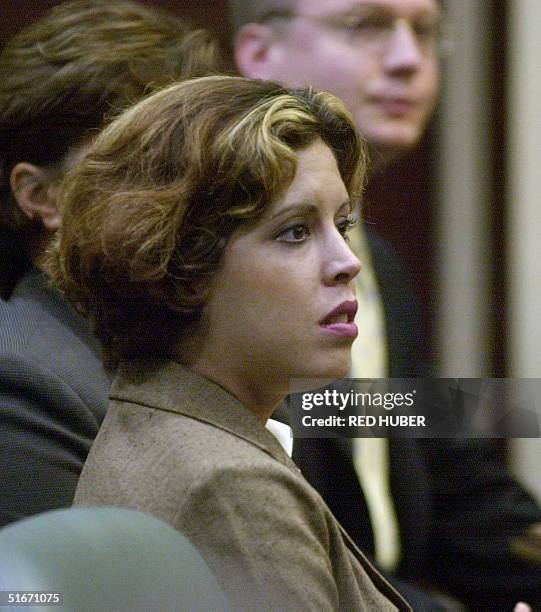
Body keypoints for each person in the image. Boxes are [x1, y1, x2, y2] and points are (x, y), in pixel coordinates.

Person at [48, 74, 410, 611]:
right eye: (295, 231)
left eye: (342, 223)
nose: (348, 261)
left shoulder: (159, 419)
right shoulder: (227, 485)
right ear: (185, 268)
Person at [230, 0, 541, 609]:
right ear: (261, 55)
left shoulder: (382, 267)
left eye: (424, 32)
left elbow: (452, 475)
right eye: (367, 26)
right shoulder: (228, 277)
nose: (408, 60)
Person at [0, 0, 222, 528]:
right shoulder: (25, 378)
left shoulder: (213, 340)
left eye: (203, 159)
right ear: (42, 197)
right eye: (145, 162)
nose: (189, 191)